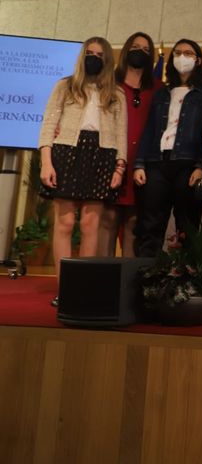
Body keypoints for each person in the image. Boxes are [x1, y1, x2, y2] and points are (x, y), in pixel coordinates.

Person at [39, 37, 127, 304]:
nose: (94, 58)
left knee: (91, 224)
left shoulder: (117, 93)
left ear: (107, 60)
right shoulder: (65, 86)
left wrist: (120, 167)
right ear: (82, 56)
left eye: (100, 55)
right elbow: (48, 124)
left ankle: (83, 287)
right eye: (90, 53)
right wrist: (46, 160)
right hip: (66, 150)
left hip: (103, 155)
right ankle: (65, 288)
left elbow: (122, 133)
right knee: (65, 222)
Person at [133, 39, 202, 257]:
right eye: (178, 53)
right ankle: (146, 279)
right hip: (157, 162)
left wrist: (200, 165)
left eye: (188, 53)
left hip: (188, 164)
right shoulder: (162, 92)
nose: (182, 57)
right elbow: (150, 129)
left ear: (198, 60)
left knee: (187, 226)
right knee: (150, 224)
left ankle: (185, 282)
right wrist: (139, 164)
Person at [98, 32, 160, 257]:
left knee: (135, 221)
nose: (140, 52)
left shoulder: (158, 88)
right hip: (110, 160)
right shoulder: (108, 83)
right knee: (108, 219)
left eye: (145, 50)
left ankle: (128, 286)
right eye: (136, 47)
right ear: (126, 50)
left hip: (141, 164)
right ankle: (102, 282)